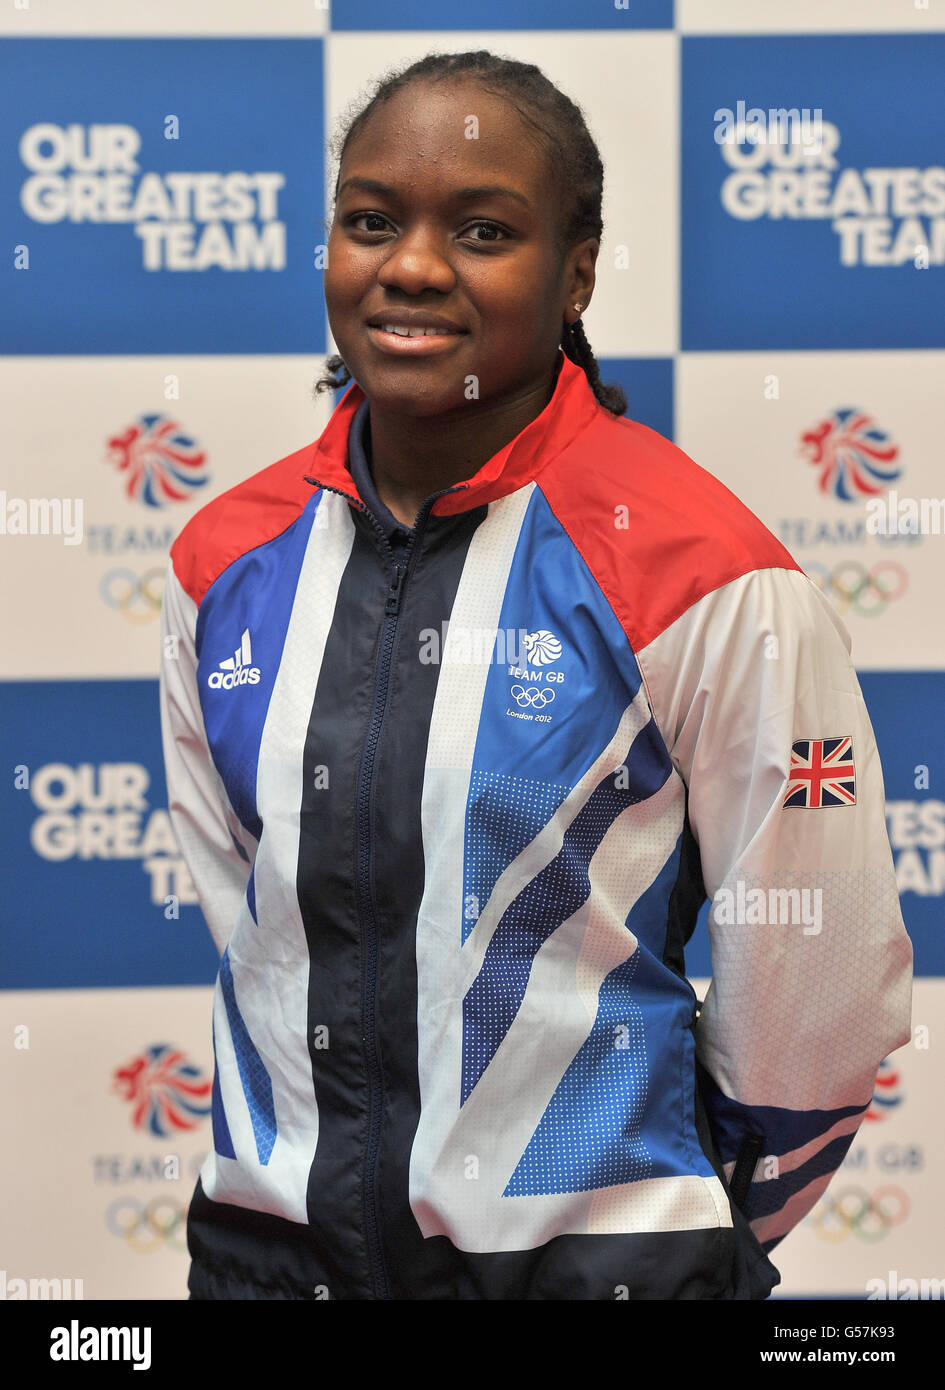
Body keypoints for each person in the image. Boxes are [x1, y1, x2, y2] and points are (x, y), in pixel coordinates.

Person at [159, 50, 913, 1301]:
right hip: (268, 1271)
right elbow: (256, 928)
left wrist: (675, 1224)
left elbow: (816, 992)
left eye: (483, 229)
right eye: (370, 220)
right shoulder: (222, 561)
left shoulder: (702, 569)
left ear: (576, 274)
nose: (409, 265)